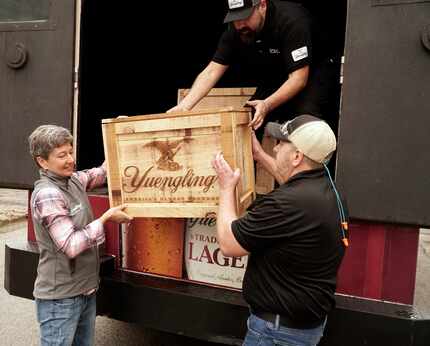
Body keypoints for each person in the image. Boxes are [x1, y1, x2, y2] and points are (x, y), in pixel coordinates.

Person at [211, 114, 347, 346]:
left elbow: (228, 243)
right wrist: (259, 155)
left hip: (276, 333)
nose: (275, 149)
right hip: (304, 327)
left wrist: (226, 189)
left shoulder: (287, 204)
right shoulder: (326, 189)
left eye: (281, 143)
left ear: (296, 156)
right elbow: (294, 184)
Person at [168, 0, 338, 137]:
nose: (240, 24)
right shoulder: (237, 29)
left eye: (245, 16)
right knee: (248, 120)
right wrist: (185, 106)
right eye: (235, 18)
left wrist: (267, 104)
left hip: (314, 72)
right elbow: (213, 69)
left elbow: (299, 79)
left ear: (262, 5)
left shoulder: (292, 21)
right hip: (278, 72)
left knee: (305, 124)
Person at [28, 125, 133, 346]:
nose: (70, 160)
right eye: (61, 155)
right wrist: (106, 219)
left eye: (70, 152)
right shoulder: (48, 195)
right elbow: (71, 245)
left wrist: (121, 135)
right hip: (61, 299)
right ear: (42, 162)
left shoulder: (73, 180)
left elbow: (103, 171)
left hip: (85, 291)